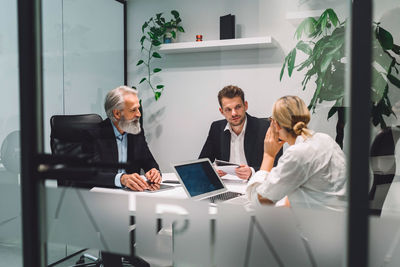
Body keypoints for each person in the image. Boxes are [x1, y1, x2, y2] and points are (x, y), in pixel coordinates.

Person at [246, 95, 347, 210]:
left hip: (318, 224)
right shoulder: (325, 139)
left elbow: (260, 202)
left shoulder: (297, 154)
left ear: (276, 124)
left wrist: (268, 155)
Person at [84, 85, 161, 191]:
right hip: (103, 196)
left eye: (138, 108)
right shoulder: (94, 135)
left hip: (131, 196)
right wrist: (121, 179)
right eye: (133, 110)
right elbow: (90, 174)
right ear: (117, 113)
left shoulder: (136, 131)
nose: (139, 114)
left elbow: (149, 161)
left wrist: (154, 171)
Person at [199, 85, 281, 180]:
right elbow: (202, 163)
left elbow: (278, 167)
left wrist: (252, 171)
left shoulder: (266, 127)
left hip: (256, 184)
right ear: (221, 111)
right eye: (228, 109)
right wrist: (212, 170)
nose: (234, 113)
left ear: (245, 105)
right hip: (227, 185)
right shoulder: (216, 128)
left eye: (237, 107)